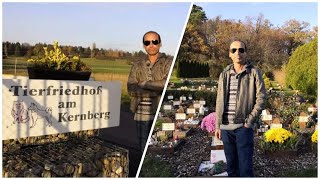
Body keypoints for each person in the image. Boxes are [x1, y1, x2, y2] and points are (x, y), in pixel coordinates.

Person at [215, 40, 267, 177]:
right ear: (229, 54)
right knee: (231, 168)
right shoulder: (224, 74)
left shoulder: (254, 73)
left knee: (245, 169)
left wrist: (249, 121)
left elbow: (261, 98)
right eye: (234, 50)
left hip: (243, 127)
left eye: (241, 50)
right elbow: (219, 100)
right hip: (226, 128)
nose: (237, 53)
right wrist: (217, 126)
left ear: (246, 52)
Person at [127, 31, 173, 152]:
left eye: (154, 41)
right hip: (141, 114)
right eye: (147, 42)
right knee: (143, 147)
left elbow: (165, 83)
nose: (151, 45)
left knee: (160, 143)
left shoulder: (168, 61)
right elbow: (131, 87)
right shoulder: (137, 64)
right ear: (144, 45)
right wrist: (154, 90)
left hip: (158, 111)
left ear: (160, 43)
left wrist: (145, 84)